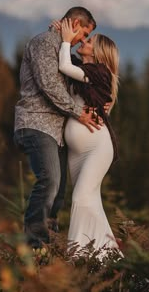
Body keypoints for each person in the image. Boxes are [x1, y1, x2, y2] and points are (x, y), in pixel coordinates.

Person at [13, 6, 101, 249]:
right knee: (50, 180)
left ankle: (49, 246)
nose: (81, 41)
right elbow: (50, 85)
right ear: (73, 23)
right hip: (36, 124)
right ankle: (34, 245)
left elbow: (80, 71)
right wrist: (78, 114)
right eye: (82, 34)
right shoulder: (43, 43)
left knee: (59, 189)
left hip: (55, 132)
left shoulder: (63, 52)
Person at [57, 17, 121, 255]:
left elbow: (65, 65)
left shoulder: (99, 73)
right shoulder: (84, 71)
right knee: (91, 204)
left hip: (97, 148)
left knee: (80, 200)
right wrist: (59, 34)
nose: (83, 40)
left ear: (97, 53)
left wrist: (65, 41)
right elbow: (67, 62)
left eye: (89, 40)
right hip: (78, 152)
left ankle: (76, 258)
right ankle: (104, 261)